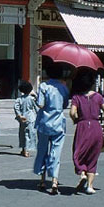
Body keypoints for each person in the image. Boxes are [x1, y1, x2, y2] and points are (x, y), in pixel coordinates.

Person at [70, 69, 104, 194]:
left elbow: (72, 112)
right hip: (96, 126)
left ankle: (81, 172)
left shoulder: (77, 97)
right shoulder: (98, 97)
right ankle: (90, 186)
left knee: (78, 151)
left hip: (82, 126)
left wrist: (75, 119)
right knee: (93, 155)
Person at [33, 64, 69, 195]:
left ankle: (42, 180)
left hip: (44, 123)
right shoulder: (63, 87)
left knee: (42, 150)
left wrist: (35, 97)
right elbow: (65, 104)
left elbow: (40, 104)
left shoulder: (43, 86)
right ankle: (54, 180)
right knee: (56, 151)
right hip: (58, 123)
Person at [14, 81, 38, 157]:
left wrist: (19, 115)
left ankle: (23, 148)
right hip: (31, 118)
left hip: (22, 118)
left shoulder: (19, 99)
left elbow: (16, 108)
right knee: (30, 134)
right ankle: (27, 150)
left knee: (22, 134)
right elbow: (37, 108)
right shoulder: (32, 99)